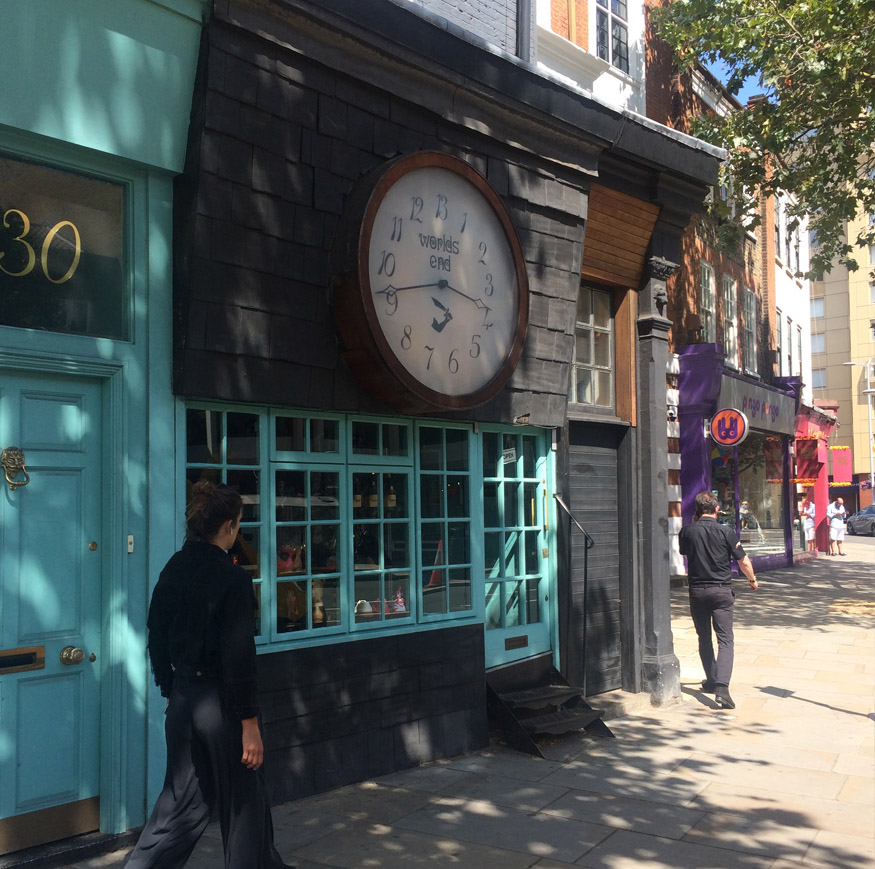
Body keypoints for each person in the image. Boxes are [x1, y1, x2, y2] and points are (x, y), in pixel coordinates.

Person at [126, 482, 292, 869]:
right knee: (243, 804)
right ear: (229, 527)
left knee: (178, 805)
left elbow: (156, 635)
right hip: (222, 707)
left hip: (183, 699)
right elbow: (239, 657)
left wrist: (171, 690)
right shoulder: (233, 579)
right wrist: (249, 724)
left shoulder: (174, 567)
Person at [678, 491, 759, 710]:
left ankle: (711, 680)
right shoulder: (727, 532)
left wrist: (694, 524)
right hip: (722, 591)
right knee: (725, 639)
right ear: (716, 509)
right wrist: (752, 580)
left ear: (697, 511)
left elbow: (684, 552)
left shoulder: (686, 531)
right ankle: (722, 688)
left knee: (704, 638)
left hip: (697, 591)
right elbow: (743, 561)